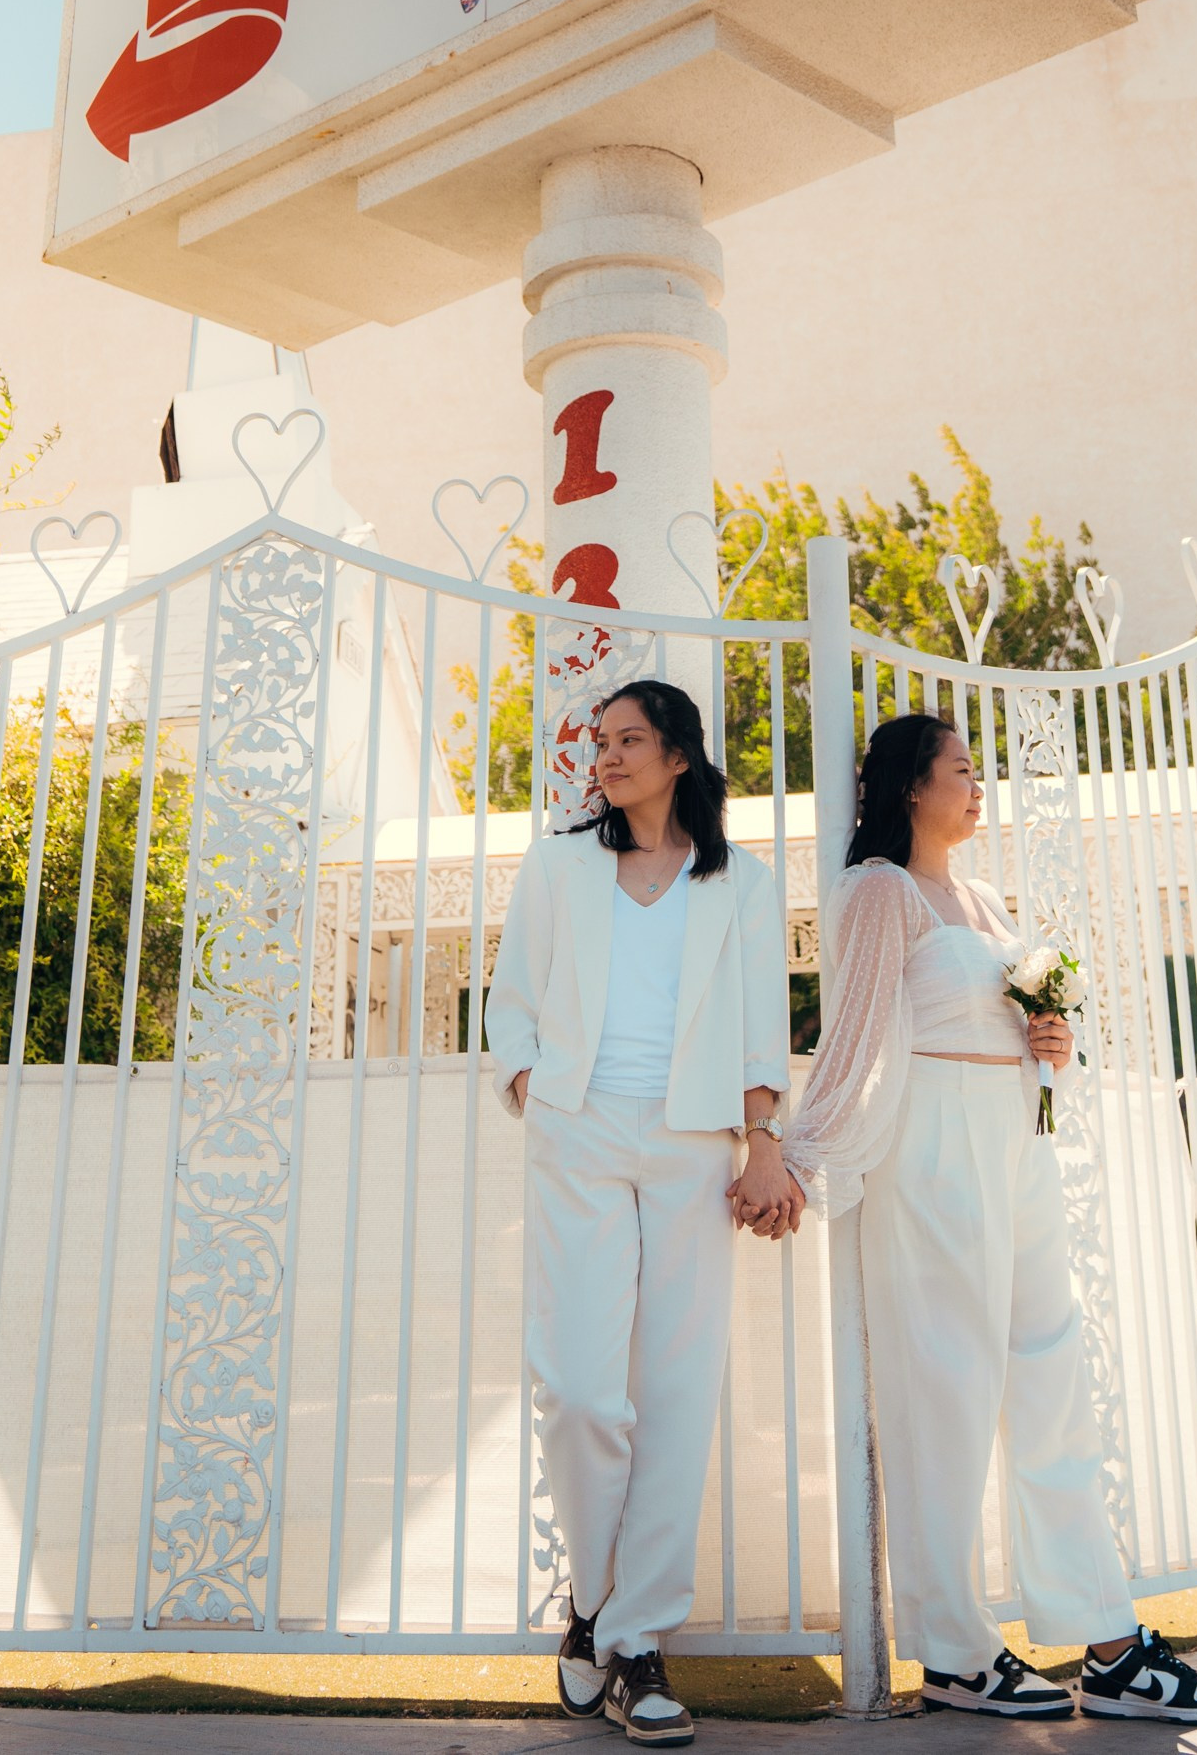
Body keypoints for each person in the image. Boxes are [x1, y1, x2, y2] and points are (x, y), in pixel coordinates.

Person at [782, 713, 1197, 1728]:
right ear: (911, 786)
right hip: (933, 1153)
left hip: (1015, 1142)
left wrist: (1045, 1039)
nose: (975, 784)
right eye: (960, 769)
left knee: (1053, 1379)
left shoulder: (984, 901)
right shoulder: (877, 893)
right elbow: (851, 1035)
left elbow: (1000, 1031)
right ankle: (953, 1650)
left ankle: (1108, 1641)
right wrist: (791, 1151)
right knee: (946, 1393)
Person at [486, 677, 797, 1745]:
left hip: (692, 1144)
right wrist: (531, 1088)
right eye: (600, 740)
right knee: (577, 1389)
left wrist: (762, 1143)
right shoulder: (560, 864)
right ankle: (596, 1600)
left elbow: (762, 1019)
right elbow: (512, 998)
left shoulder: (739, 882)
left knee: (673, 1391)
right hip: (576, 1130)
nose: (607, 757)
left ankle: (634, 1641)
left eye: (629, 740)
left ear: (677, 756)